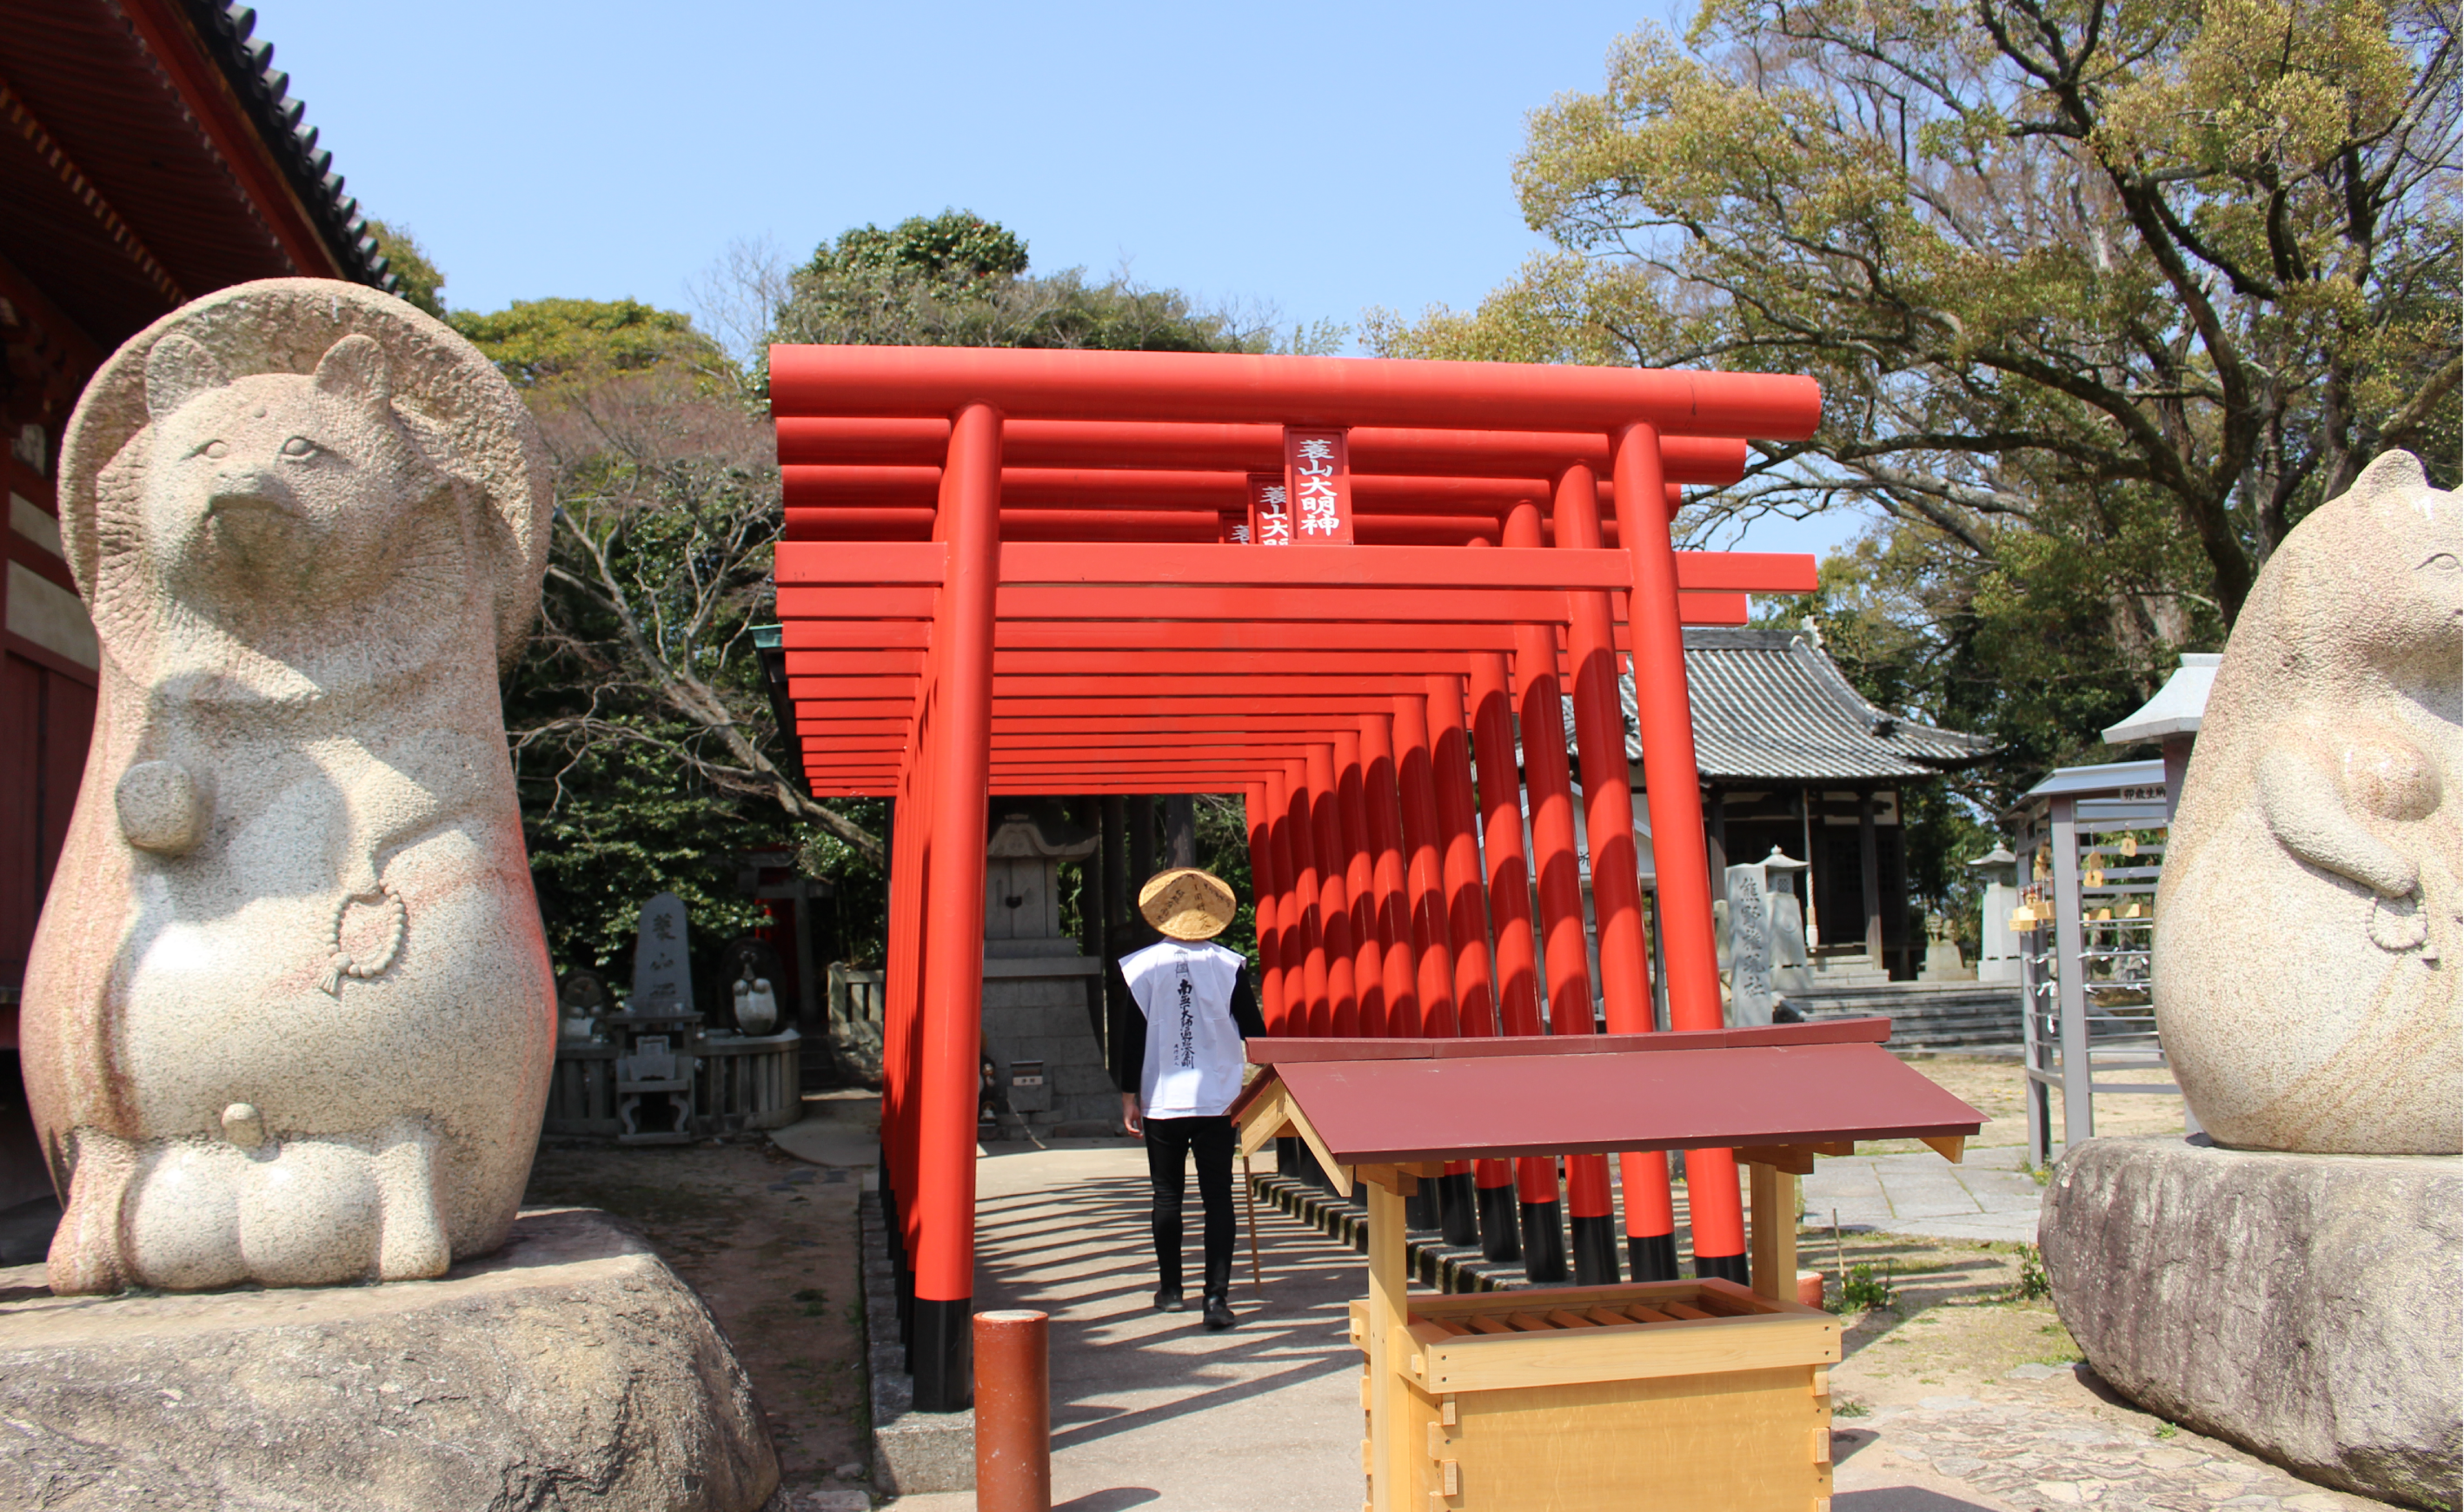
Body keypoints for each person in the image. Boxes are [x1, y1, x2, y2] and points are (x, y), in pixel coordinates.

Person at [1109, 866, 1264, 1331]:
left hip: (1162, 1098)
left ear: (1163, 915)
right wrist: (1256, 1085)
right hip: (1219, 1099)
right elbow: (1255, 1035)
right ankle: (1216, 1299)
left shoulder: (1141, 967)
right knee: (1219, 1198)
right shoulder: (1229, 965)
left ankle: (1171, 1290)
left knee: (1167, 1196)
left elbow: (1132, 1036)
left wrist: (1128, 1095)